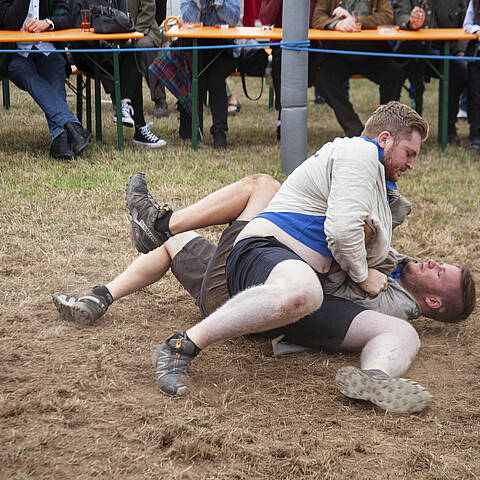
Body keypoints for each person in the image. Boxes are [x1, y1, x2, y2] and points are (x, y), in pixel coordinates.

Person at [52, 171, 475, 413]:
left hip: (261, 282)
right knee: (178, 246)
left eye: (441, 274)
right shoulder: (396, 267)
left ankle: (159, 221)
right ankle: (99, 295)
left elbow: (341, 252)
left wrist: (361, 260)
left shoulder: (394, 302)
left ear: (433, 301)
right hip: (252, 283)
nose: (435, 263)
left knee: (262, 186)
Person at [0, 0, 92, 159]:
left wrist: (47, 23)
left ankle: (60, 140)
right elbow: (10, 21)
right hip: (16, 54)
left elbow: (67, 18)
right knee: (30, 78)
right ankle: (74, 127)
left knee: (56, 83)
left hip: (48, 50)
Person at [68, 0, 167, 148]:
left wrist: (121, 40)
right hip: (87, 51)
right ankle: (137, 124)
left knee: (132, 52)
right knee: (128, 61)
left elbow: (123, 23)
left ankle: (125, 107)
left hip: (112, 50)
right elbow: (77, 27)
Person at [310, 0, 405, 137]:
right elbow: (317, 18)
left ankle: (383, 130)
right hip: (339, 53)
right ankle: (355, 131)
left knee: (394, 75)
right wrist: (337, 24)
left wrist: (354, 20)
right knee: (323, 80)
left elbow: (387, 17)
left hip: (373, 52)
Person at [393, 0, 468, 145]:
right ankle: (391, 129)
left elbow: (465, 25)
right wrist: (411, 22)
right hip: (411, 49)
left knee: (459, 69)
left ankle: (449, 127)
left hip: (442, 52)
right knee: (392, 72)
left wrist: (461, 51)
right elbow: (399, 15)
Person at [178, 0, 241, 149]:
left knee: (215, 76)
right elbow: (187, 20)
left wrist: (219, 4)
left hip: (225, 48)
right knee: (193, 72)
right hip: (197, 46)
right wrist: (197, 3)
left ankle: (219, 132)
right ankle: (192, 127)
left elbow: (234, 19)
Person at [129, 0, 169, 118]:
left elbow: (148, 12)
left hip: (145, 30)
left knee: (144, 46)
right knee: (111, 48)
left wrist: (134, 34)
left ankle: (159, 99)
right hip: (117, 31)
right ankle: (120, 99)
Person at [463, 0, 480, 155]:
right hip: (477, 56)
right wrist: (477, 30)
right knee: (476, 98)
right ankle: (476, 138)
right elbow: (467, 25)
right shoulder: (474, 3)